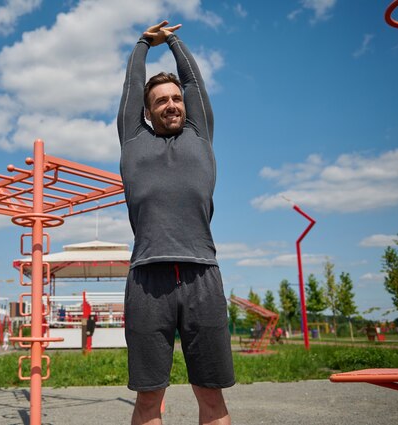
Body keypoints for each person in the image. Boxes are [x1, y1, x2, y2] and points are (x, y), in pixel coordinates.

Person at [118, 20, 235, 425]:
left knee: (211, 395)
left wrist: (172, 40)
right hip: (148, 282)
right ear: (147, 112)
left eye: (176, 98)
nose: (171, 104)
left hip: (202, 274)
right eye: (161, 101)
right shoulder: (133, 141)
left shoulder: (200, 135)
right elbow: (131, 90)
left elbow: (195, 84)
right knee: (149, 399)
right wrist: (142, 46)